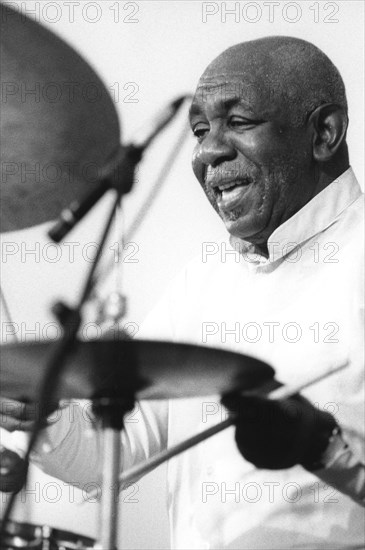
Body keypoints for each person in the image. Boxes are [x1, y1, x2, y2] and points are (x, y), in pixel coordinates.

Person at [1, 36, 364, 549]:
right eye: (199, 130)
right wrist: (48, 413)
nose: (208, 150)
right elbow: (113, 455)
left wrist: (326, 451)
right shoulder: (203, 280)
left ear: (324, 133)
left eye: (238, 122)